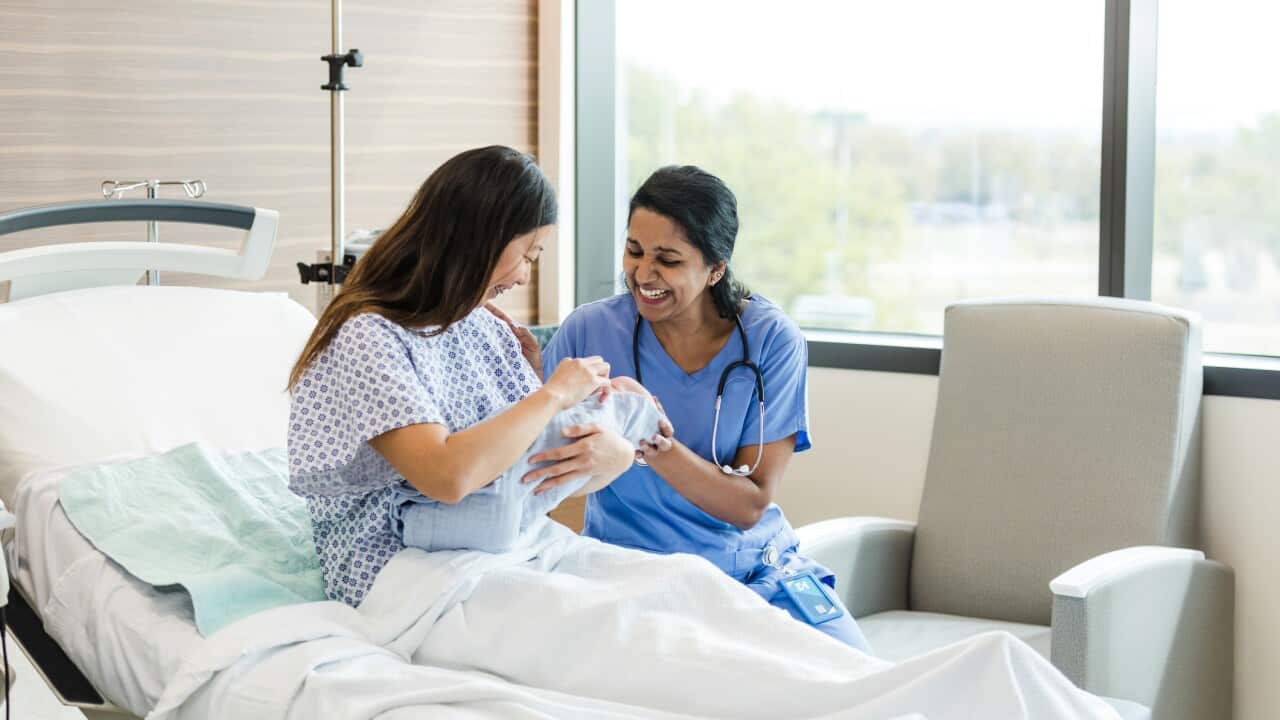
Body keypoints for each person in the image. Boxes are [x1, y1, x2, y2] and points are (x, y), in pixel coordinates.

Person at [285, 145, 636, 606]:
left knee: (681, 588)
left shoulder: (488, 330)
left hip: (507, 549)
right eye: (528, 255)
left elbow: (532, 477)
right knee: (621, 630)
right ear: (479, 239)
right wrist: (550, 395)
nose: (526, 278)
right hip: (404, 570)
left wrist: (615, 458)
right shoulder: (368, 337)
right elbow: (446, 477)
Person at [542, 165, 872, 651]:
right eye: (634, 251)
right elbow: (536, 454)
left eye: (668, 260)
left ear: (716, 268)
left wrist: (648, 436)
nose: (642, 274)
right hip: (628, 572)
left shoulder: (770, 340)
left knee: (860, 679)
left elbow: (748, 504)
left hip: (752, 569)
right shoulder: (589, 331)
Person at [391, 376, 668, 553]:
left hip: (524, 528)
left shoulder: (499, 333)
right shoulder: (375, 341)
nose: (523, 279)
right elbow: (550, 402)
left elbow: (553, 483)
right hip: (440, 525)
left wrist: (619, 458)